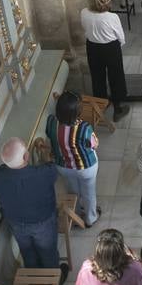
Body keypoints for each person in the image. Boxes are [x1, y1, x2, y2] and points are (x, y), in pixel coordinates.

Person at [0, 138, 66, 282]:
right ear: (26, 156)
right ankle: (53, 281)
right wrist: (45, 156)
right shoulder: (43, 173)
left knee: (27, 252)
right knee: (48, 252)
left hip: (15, 223)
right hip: (42, 221)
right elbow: (52, 169)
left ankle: (34, 279)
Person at [45, 90, 100, 228]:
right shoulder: (84, 128)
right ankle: (90, 218)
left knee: (73, 190)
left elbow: (49, 135)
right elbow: (94, 144)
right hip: (85, 167)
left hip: (63, 166)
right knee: (89, 193)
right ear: (77, 112)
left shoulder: (51, 123)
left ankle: (75, 215)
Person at [81, 0, 129, 122]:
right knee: (116, 76)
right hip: (110, 48)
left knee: (97, 76)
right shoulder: (112, 17)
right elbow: (121, 37)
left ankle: (101, 104)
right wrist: (118, 45)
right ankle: (118, 108)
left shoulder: (84, 13)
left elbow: (85, 28)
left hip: (92, 47)